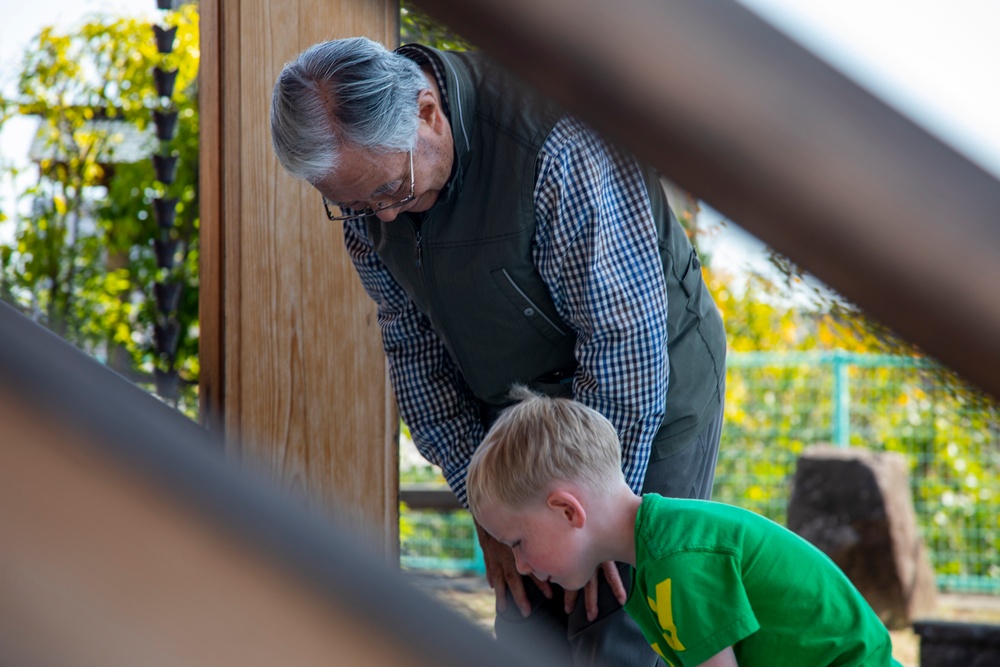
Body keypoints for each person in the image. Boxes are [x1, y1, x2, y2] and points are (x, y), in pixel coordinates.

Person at [270, 36, 727, 666]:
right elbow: (413, 353)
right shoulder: (367, 199)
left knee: (618, 627)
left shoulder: (555, 144)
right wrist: (489, 511)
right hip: (518, 418)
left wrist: (592, 510)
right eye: (354, 205)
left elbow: (622, 343)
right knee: (525, 628)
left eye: (392, 189)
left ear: (427, 112)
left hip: (643, 395)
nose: (384, 217)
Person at [467, 386, 902, 667]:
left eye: (518, 542)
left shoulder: (677, 560)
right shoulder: (656, 553)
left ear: (567, 511)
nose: (519, 565)